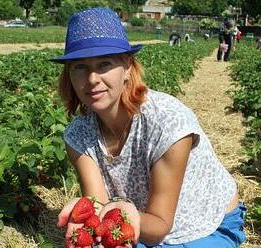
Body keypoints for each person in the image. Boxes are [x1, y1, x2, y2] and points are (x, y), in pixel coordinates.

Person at [53, 7, 246, 248]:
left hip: (206, 224)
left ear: (128, 68)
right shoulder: (78, 135)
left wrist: (122, 215)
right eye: (80, 67)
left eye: (104, 64)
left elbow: (159, 227)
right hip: (142, 220)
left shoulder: (167, 122)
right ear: (68, 75)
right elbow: (99, 204)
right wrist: (90, 217)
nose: (92, 79)